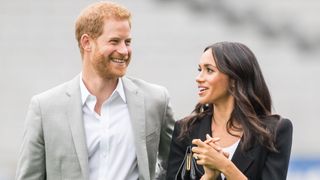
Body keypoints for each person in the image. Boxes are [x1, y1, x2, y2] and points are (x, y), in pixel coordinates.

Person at [15, 1, 175, 180]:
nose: (124, 51)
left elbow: (175, 164)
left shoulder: (155, 100)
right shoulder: (44, 108)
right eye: (114, 41)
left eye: (127, 42)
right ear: (86, 42)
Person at [166, 42, 293, 180]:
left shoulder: (276, 130)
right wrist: (209, 177)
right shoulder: (185, 130)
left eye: (209, 70)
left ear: (233, 79)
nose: (199, 78)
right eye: (199, 70)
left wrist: (225, 166)